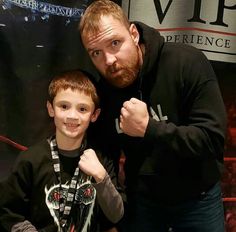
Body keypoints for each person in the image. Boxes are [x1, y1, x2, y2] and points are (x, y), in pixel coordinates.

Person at [79, 0, 227, 231]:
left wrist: (150, 128)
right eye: (96, 52)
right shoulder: (105, 91)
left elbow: (213, 139)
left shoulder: (185, 62)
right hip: (143, 203)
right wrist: (112, 214)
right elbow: (105, 151)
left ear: (134, 34)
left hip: (198, 199)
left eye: (115, 43)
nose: (108, 60)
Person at [0, 69, 124, 232]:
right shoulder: (30, 160)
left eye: (82, 109)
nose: (72, 115)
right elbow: (9, 214)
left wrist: (101, 177)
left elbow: (116, 216)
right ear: (51, 108)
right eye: (64, 106)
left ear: (94, 115)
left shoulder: (101, 159)